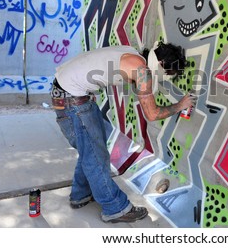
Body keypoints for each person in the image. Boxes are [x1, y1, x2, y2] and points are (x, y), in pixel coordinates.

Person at [50, 42, 196, 223]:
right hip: (72, 100)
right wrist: (180, 105)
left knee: (92, 150)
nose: (167, 79)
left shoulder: (133, 54)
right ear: (162, 66)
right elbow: (152, 114)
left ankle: (81, 194)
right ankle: (115, 208)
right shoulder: (141, 70)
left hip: (72, 94)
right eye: (169, 74)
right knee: (94, 156)